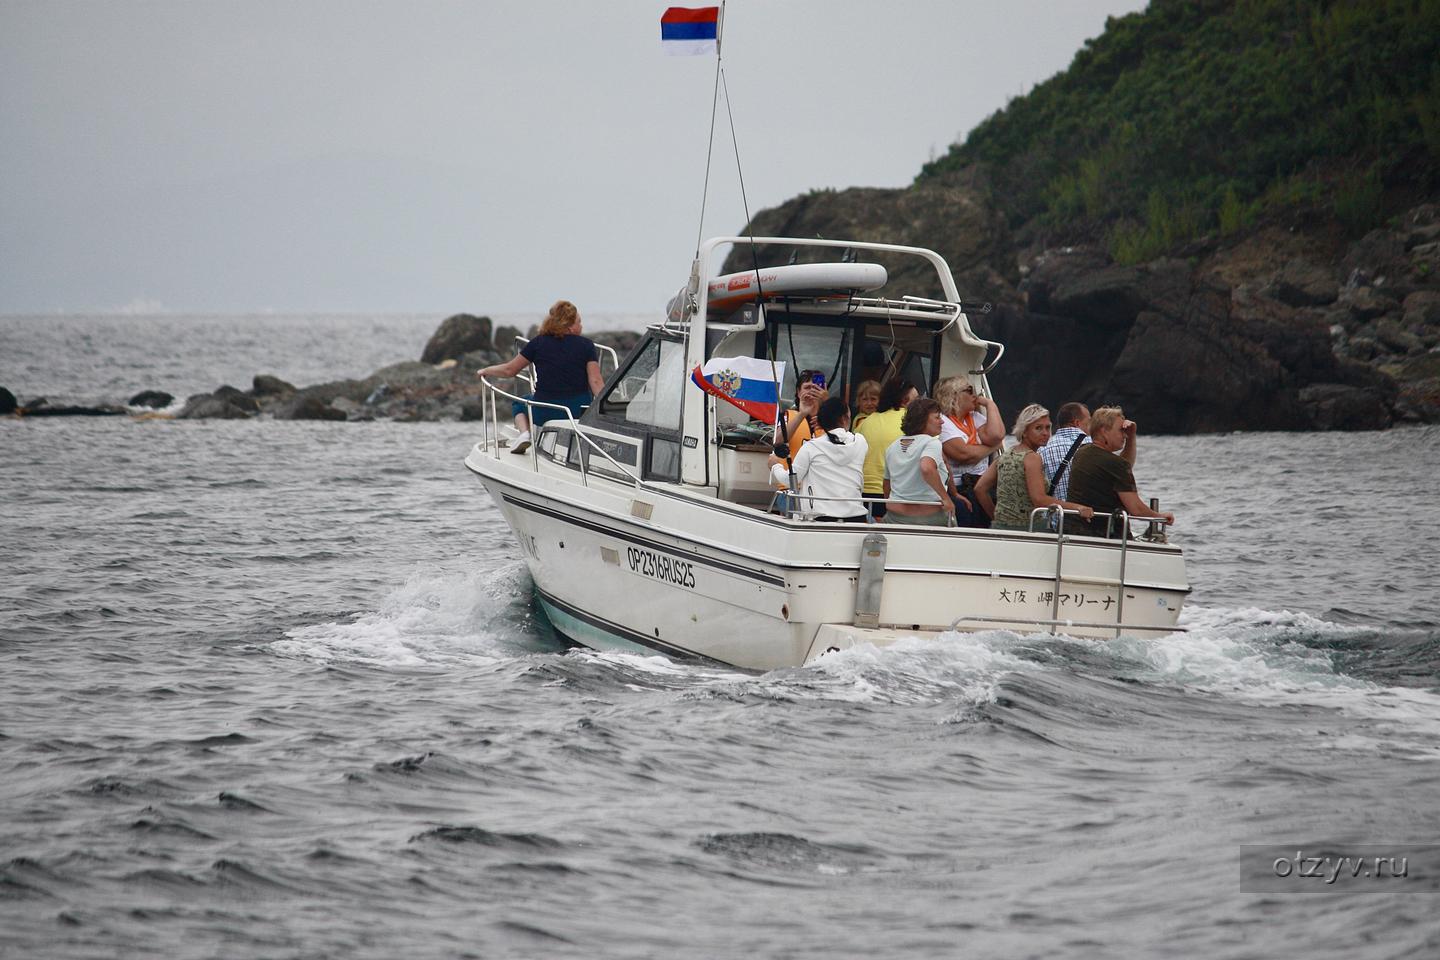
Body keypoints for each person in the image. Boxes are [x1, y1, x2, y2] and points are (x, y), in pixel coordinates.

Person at [477, 300, 605, 454]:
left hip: (545, 411)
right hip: (578, 412)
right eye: (579, 322)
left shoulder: (538, 343)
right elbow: (596, 381)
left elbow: (509, 370)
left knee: (519, 403)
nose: (581, 326)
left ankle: (524, 434)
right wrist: (606, 406)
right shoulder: (586, 345)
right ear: (569, 326)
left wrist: (486, 370)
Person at [972, 403, 1095, 532]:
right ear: (1024, 431)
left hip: (1001, 527)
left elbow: (980, 488)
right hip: (1030, 528)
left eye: (1048, 428)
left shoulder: (1005, 455)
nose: (1045, 433)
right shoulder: (1032, 458)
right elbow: (1039, 499)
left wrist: (997, 518)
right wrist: (1078, 508)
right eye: (1038, 428)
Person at [1066, 406, 1175, 538]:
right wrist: (1160, 516)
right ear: (1104, 431)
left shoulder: (1082, 452)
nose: (1125, 435)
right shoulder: (1115, 464)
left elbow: (1121, 467)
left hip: (1073, 530)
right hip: (1105, 534)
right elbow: (1136, 509)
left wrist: (1131, 437)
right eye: (1121, 430)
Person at [768, 397, 868, 522]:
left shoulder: (811, 447)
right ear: (844, 419)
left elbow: (790, 481)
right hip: (856, 518)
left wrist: (775, 466)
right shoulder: (861, 442)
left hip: (819, 519)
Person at [881, 397, 964, 527]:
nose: (942, 422)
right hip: (929, 518)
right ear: (922, 421)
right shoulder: (932, 442)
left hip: (894, 517)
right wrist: (946, 499)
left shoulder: (892, 446)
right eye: (937, 418)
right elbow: (927, 468)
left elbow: (887, 484)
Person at [934, 376, 1005, 527]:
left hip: (982, 486)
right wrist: (993, 447)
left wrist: (990, 404)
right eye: (969, 391)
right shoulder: (943, 422)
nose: (975, 395)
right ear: (954, 395)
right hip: (960, 488)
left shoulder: (974, 417)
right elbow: (965, 455)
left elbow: (997, 435)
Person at [855, 378, 917, 520]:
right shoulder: (914, 421)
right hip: (897, 495)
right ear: (905, 401)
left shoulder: (866, 422)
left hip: (865, 495)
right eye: (917, 400)